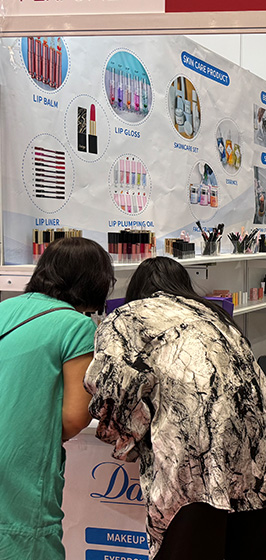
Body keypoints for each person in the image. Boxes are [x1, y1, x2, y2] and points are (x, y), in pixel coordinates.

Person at [85, 257, 266, 560]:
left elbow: (110, 389)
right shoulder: (212, 313)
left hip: (195, 443)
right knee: (249, 544)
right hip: (258, 437)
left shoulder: (127, 316)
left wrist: (127, 437)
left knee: (189, 541)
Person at [0, 237, 114, 559]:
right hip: (21, 462)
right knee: (27, 543)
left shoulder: (5, 309)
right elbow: (75, 416)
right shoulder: (75, 326)